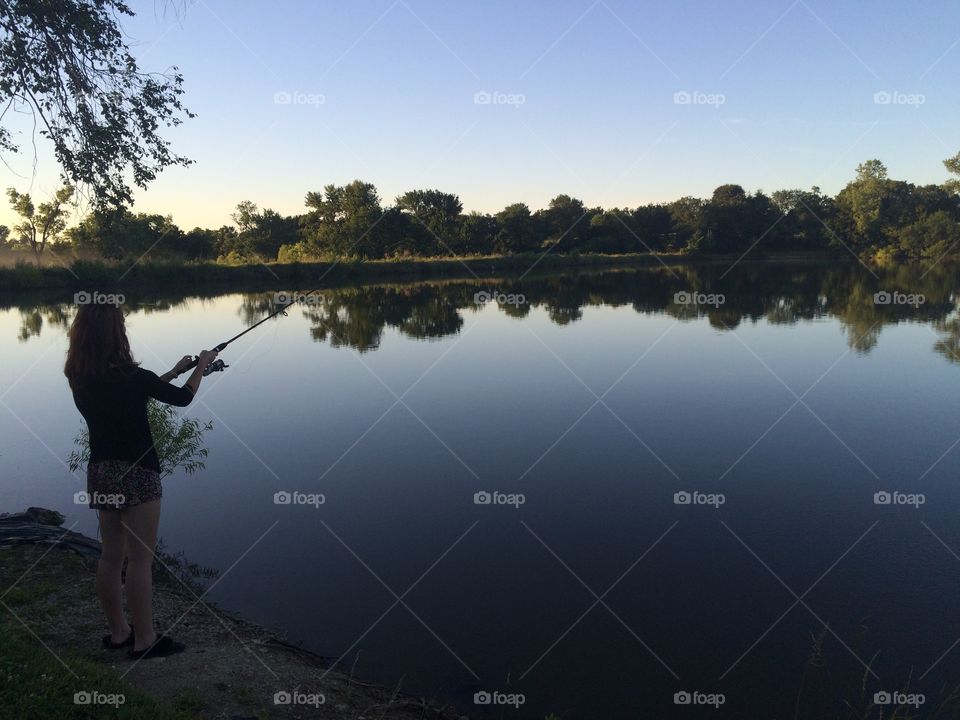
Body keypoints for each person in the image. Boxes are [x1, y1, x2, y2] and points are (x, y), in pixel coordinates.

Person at [64, 302, 218, 659]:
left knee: (111, 556)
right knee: (141, 559)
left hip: (102, 472)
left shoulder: (79, 375)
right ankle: (145, 639)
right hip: (139, 473)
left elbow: (132, 397)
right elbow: (181, 399)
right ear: (116, 334)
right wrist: (203, 366)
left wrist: (176, 370)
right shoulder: (131, 376)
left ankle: (119, 632)